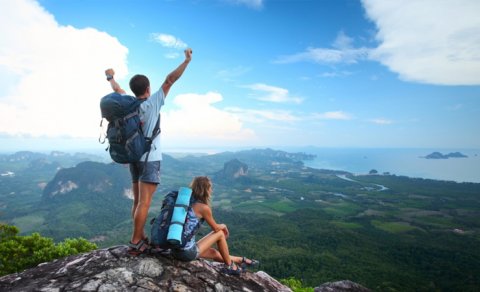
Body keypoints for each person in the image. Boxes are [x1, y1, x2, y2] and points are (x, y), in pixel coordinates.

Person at [105, 48, 192, 255]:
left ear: (133, 90)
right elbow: (170, 80)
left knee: (137, 201)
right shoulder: (152, 103)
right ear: (148, 88)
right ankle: (136, 240)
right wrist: (186, 61)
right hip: (150, 159)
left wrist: (110, 77)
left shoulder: (129, 105)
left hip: (133, 157)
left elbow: (117, 91)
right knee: (145, 202)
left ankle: (139, 234)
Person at [171, 176, 259, 275]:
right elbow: (216, 228)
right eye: (210, 188)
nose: (211, 190)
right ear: (206, 189)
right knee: (220, 234)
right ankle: (231, 267)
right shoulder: (203, 208)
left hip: (175, 250)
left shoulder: (184, 203)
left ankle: (240, 260)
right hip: (186, 252)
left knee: (213, 252)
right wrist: (224, 226)